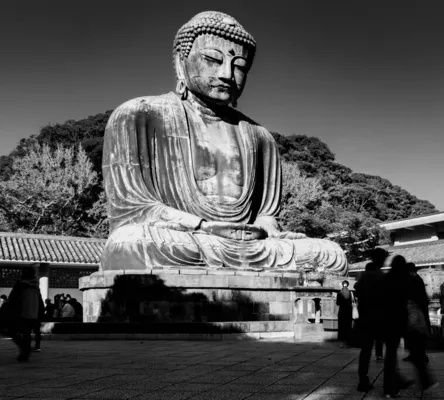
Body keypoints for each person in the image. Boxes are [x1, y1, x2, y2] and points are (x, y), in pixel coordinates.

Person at [99, 10, 347, 277]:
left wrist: (264, 227)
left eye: (240, 67)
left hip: (246, 246)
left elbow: (266, 214)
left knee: (330, 254)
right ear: (182, 61)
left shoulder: (260, 137)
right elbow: (132, 209)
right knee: (130, 243)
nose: (227, 73)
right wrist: (204, 226)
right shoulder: (139, 114)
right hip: (183, 239)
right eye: (212, 60)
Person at [389, 259, 438, 394]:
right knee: (413, 350)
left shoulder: (407, 281)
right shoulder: (414, 280)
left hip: (407, 320)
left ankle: (420, 380)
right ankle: (424, 379)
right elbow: (423, 302)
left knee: (402, 351)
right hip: (412, 319)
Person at [381, 255, 416, 397]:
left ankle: (391, 386)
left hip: (386, 321)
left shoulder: (386, 279)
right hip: (398, 321)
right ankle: (392, 387)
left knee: (390, 355)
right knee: (391, 355)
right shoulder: (404, 281)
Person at [355, 248, 388, 392]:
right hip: (379, 317)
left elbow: (358, 290)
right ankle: (395, 380)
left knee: (366, 351)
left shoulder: (364, 277)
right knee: (390, 349)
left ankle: (363, 379)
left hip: (366, 317)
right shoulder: (379, 276)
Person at [8, 266, 44, 362]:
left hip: (21, 312)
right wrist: (40, 314)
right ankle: (25, 352)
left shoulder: (20, 285)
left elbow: (12, 300)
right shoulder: (36, 286)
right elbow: (40, 302)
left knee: (11, 331)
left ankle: (24, 350)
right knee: (27, 333)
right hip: (33, 314)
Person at [403, 263, 429, 365]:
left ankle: (421, 355)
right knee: (415, 333)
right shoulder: (418, 279)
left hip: (415, 309)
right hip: (418, 309)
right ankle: (416, 354)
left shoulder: (413, 280)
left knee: (415, 333)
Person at [336, 280, 353, 347]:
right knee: (348, 327)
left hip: (342, 312)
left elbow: (337, 303)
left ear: (342, 285)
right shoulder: (350, 293)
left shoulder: (339, 293)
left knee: (341, 327)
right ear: (348, 285)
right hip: (349, 312)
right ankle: (347, 342)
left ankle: (341, 343)